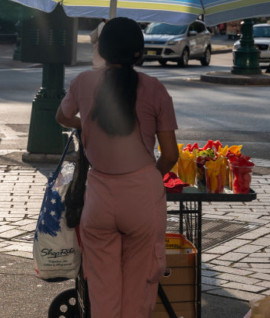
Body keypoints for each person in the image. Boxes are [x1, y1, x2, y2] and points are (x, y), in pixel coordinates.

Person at [56, 17, 180, 318]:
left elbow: (62, 116)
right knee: (138, 290)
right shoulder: (154, 89)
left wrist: (84, 122)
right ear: (139, 53)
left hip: (98, 196)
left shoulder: (83, 82)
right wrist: (153, 176)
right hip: (141, 195)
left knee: (102, 292)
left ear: (103, 49)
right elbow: (171, 154)